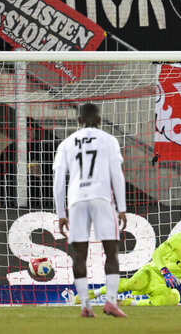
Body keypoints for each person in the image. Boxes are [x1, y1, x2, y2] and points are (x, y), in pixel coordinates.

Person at [53, 103, 128, 318]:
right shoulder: (109, 140)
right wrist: (122, 208)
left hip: (76, 200)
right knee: (111, 251)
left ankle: (85, 305)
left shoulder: (67, 143)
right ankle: (110, 301)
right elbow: (117, 175)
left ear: (79, 121)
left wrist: (61, 213)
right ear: (99, 120)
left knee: (79, 254)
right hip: (102, 198)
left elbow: (58, 180)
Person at [77, 215, 181, 307]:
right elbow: (157, 253)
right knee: (131, 284)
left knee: (174, 298)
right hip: (152, 272)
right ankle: (94, 293)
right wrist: (166, 272)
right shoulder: (180, 238)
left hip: (164, 285)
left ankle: (131, 303)